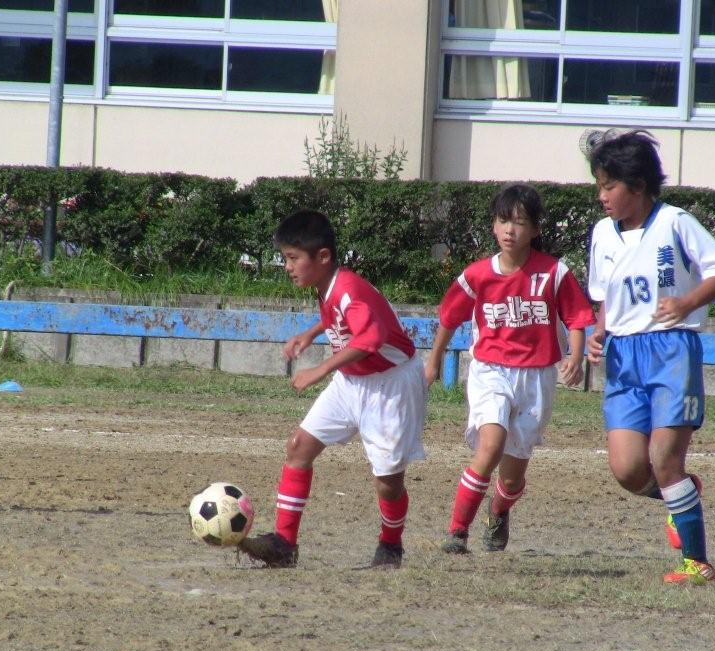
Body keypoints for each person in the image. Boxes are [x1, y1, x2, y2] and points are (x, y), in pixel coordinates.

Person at [584, 129, 715, 585]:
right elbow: (604, 296)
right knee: (628, 470)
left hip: (671, 349)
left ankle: (697, 564)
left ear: (638, 185)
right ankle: (680, 495)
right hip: (623, 355)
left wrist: (687, 303)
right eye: (599, 186)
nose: (602, 195)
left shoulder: (675, 222)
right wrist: (598, 332)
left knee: (665, 459)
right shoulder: (602, 233)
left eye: (609, 186)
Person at [238, 210, 427, 569]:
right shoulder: (328, 285)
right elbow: (337, 317)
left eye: (293, 258)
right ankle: (284, 545)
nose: (287, 267)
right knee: (299, 446)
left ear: (322, 257)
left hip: (390, 385)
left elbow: (372, 338)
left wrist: (321, 369)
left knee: (388, 481)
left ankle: (391, 544)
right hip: (351, 380)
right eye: (285, 258)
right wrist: (310, 334)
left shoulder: (348, 288)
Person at [425, 184, 595, 554]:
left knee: (513, 476)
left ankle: (499, 509)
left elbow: (577, 317)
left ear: (534, 230)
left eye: (519, 222)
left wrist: (575, 356)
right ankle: (457, 533)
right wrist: (434, 360)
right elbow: (449, 317)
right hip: (491, 370)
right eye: (503, 221)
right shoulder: (477, 275)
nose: (509, 230)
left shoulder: (553, 273)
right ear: (493, 226)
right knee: (491, 446)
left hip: (536, 378)